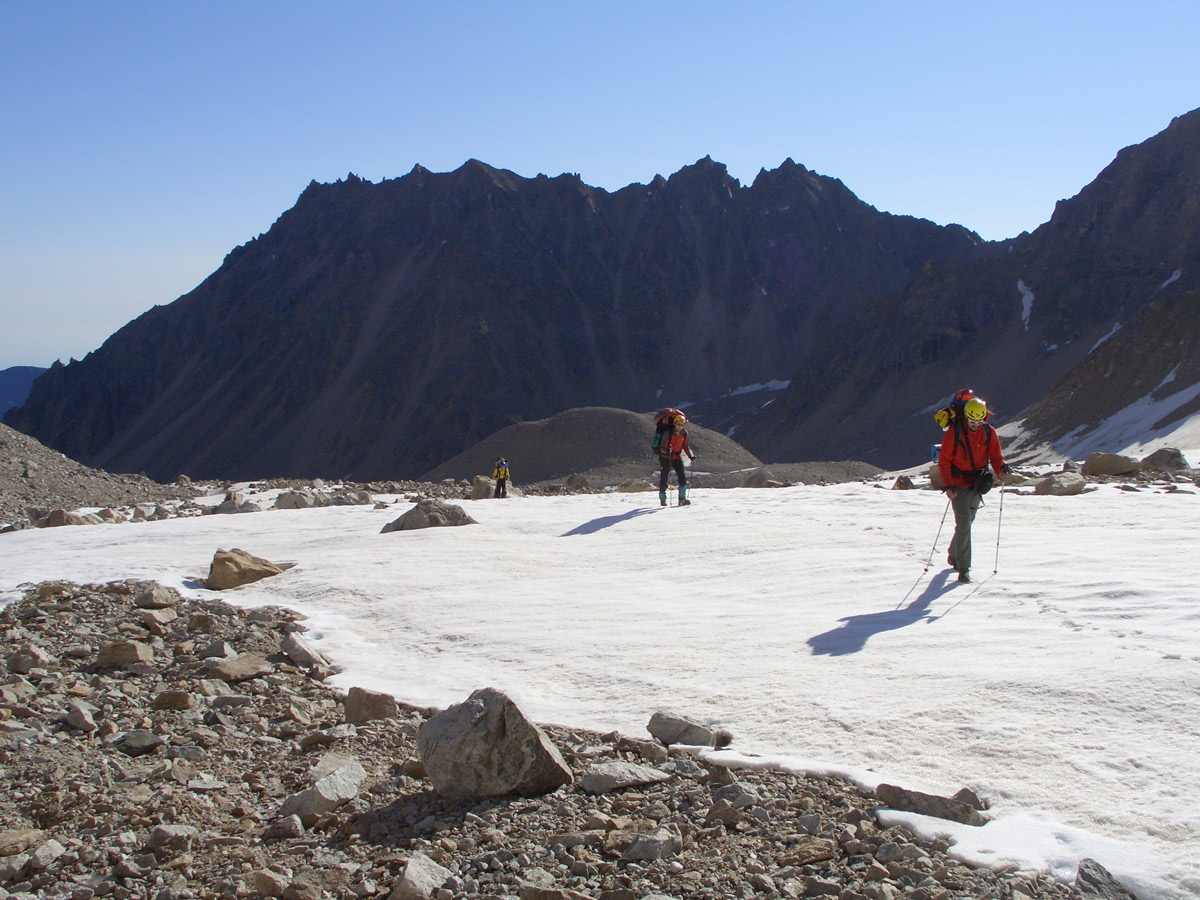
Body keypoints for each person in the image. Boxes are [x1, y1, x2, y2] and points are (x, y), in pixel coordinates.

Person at [938, 396, 1011, 583]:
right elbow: (944, 460)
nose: (974, 425)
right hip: (957, 484)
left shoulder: (989, 433)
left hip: (977, 484)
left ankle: (953, 555)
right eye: (971, 421)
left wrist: (1001, 470)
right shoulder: (954, 432)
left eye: (978, 421)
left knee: (967, 523)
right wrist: (948, 485)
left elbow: (995, 456)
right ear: (966, 418)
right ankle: (964, 569)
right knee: (963, 523)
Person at [658, 414, 696, 507]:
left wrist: (691, 457)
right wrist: (667, 451)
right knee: (664, 479)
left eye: (681, 425)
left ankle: (682, 499)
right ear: (674, 424)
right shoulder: (668, 433)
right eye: (678, 424)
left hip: (676, 457)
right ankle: (663, 499)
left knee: (682, 477)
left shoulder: (684, 433)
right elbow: (661, 447)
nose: (680, 426)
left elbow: (685, 446)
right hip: (665, 458)